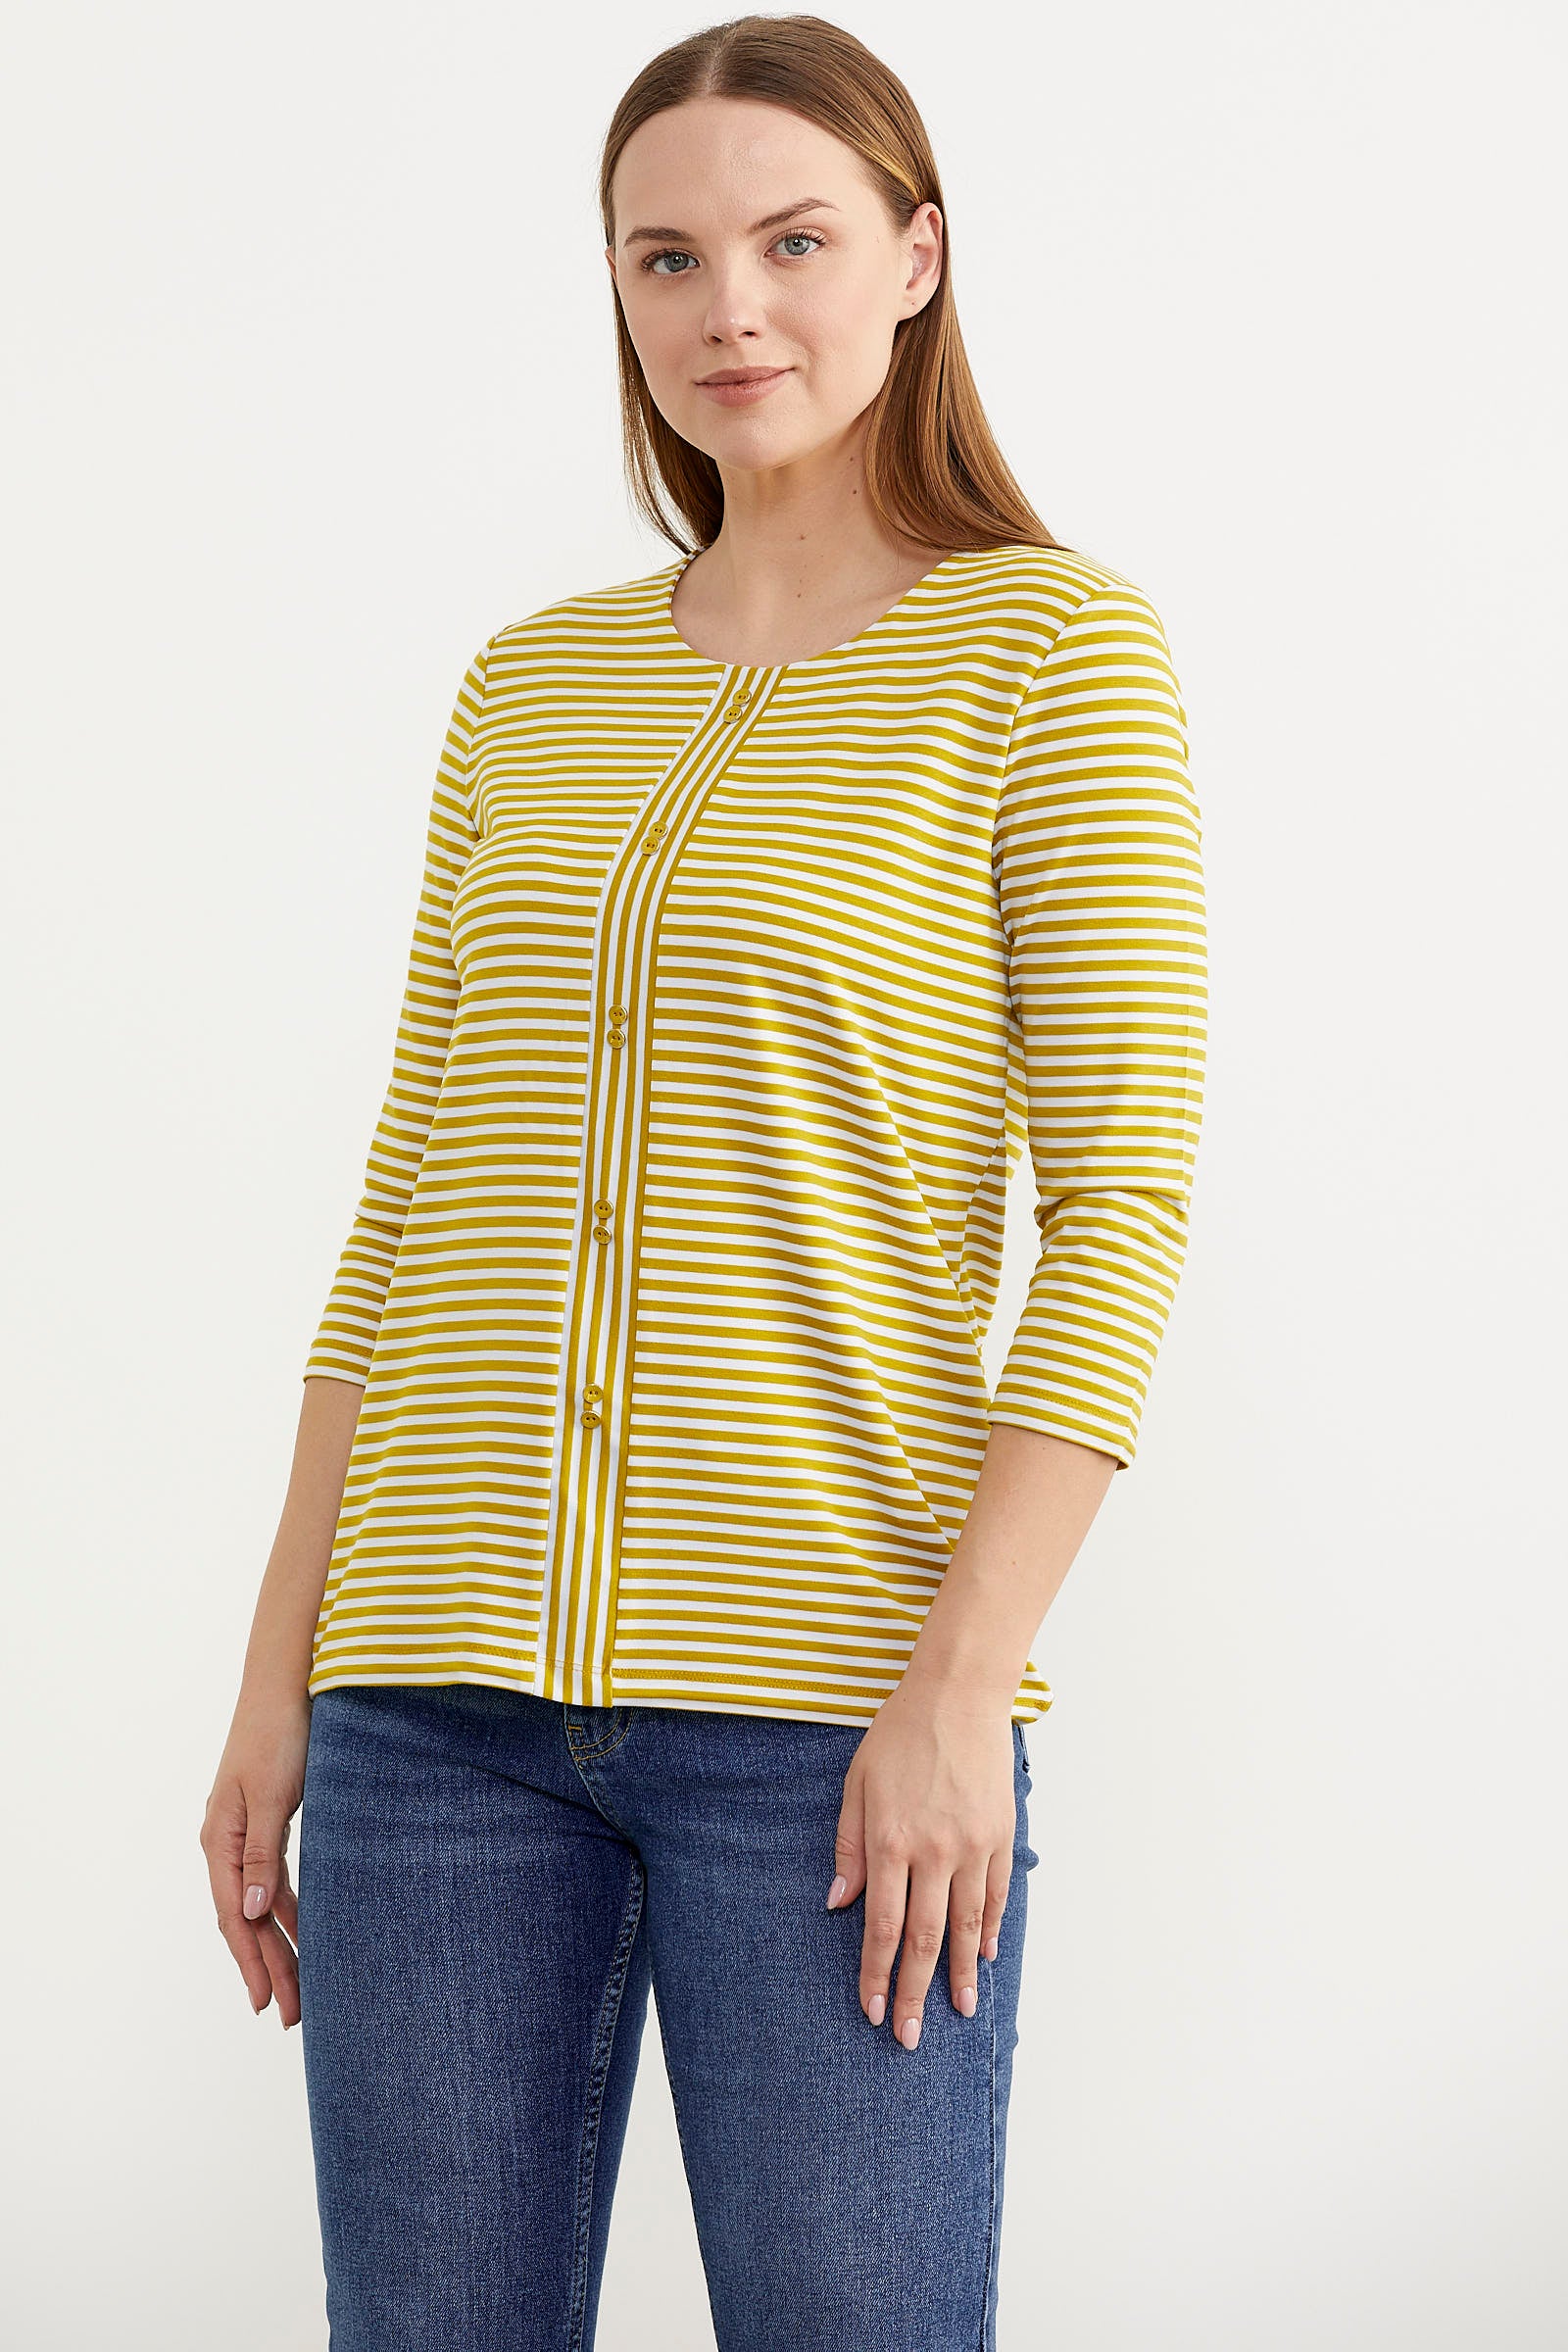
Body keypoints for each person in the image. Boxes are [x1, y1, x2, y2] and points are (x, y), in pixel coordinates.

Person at [200, 14, 1207, 2348]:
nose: (727, 307)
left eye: (791, 241)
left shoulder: (1049, 654)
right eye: (664, 257)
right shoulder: (526, 689)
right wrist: (281, 1681)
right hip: (427, 1708)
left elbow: (1121, 1209)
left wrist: (956, 1691)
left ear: (916, 257)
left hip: (826, 1719)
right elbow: (407, 1202)